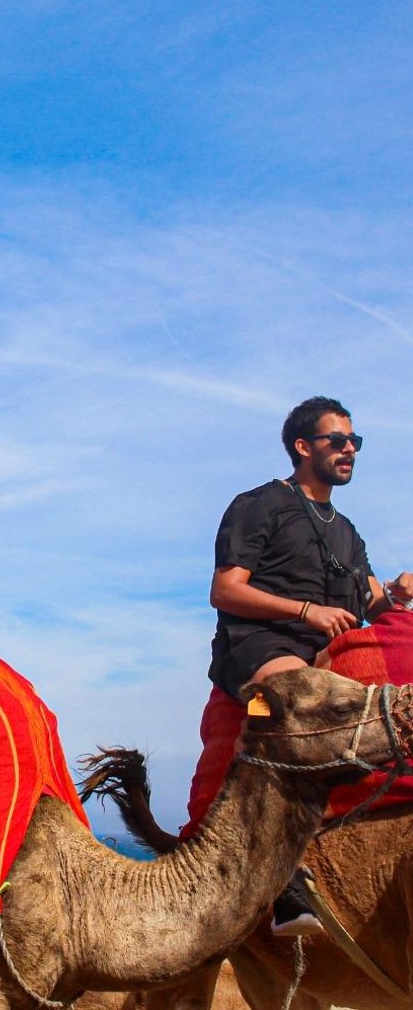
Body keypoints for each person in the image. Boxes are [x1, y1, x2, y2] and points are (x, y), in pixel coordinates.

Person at [207, 395, 413, 936]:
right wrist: (306, 611)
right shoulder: (259, 505)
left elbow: (372, 605)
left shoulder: (347, 531)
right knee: (291, 701)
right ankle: (283, 879)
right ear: (303, 447)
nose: (350, 451)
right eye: (337, 441)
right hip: (255, 656)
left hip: (324, 662)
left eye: (355, 442)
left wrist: (397, 592)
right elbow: (225, 591)